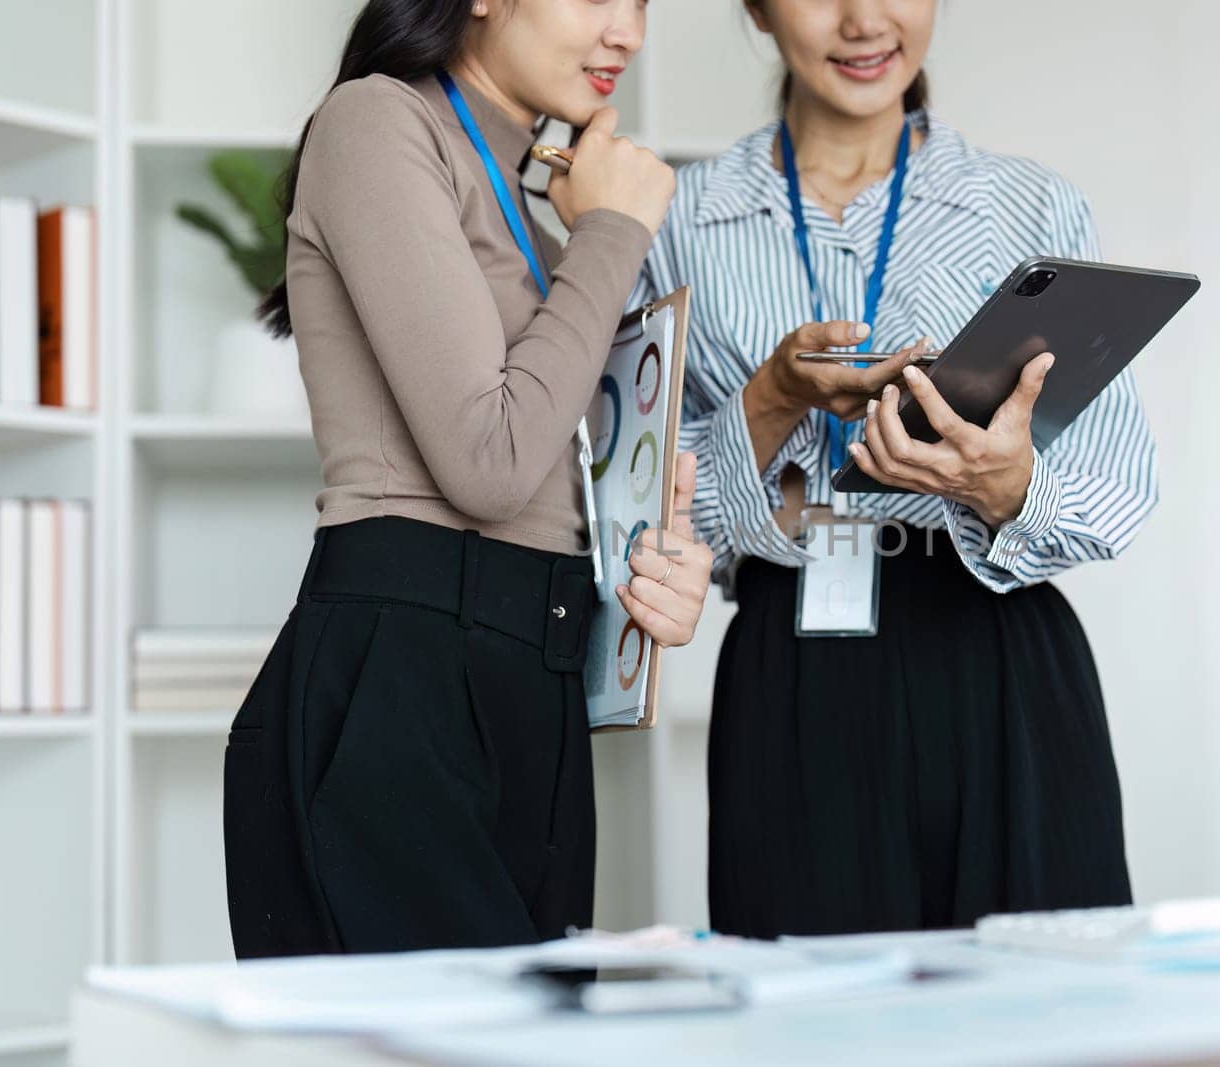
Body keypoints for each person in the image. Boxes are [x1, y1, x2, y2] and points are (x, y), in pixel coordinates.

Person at [632, 0, 1158, 937]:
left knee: (1050, 1010)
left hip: (1003, 663)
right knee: (813, 1021)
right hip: (793, 672)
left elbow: (1114, 481)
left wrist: (1003, 485)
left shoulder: (1027, 205)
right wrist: (769, 401)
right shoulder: (680, 221)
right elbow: (638, 508)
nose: (864, 20)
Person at [223, 0, 711, 959]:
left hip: (531, 687)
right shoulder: (379, 121)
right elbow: (488, 462)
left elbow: (539, 477)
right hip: (398, 683)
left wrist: (653, 560)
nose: (629, 33)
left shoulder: (539, 205)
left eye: (645, 2)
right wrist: (613, 232)